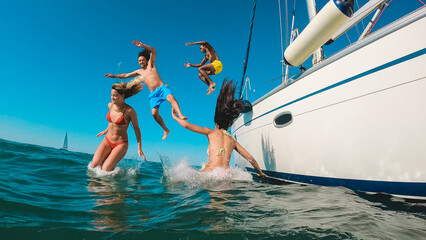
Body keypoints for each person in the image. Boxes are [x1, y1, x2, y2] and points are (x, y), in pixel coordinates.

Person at [171, 79, 266, 177]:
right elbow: (251, 159)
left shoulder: (210, 132)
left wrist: (176, 118)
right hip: (225, 175)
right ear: (230, 124)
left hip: (210, 174)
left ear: (216, 122)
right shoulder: (233, 141)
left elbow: (187, 125)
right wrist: (260, 172)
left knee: (183, 172)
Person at [105, 40, 187, 140]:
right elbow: (126, 75)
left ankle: (181, 115)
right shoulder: (139, 72)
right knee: (154, 113)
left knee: (170, 97)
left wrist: (142, 45)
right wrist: (113, 76)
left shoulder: (151, 65)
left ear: (147, 60)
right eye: (139, 61)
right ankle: (166, 130)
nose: (141, 62)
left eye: (142, 60)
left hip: (162, 88)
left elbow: (153, 50)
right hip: (153, 94)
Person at [91, 80, 146, 171]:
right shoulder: (110, 105)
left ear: (122, 96)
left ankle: (111, 183)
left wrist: (139, 148)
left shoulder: (129, 111)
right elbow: (112, 122)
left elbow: (137, 129)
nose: (112, 98)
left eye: (115, 95)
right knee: (94, 166)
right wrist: (106, 130)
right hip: (107, 140)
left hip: (120, 144)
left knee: (105, 169)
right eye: (111, 95)